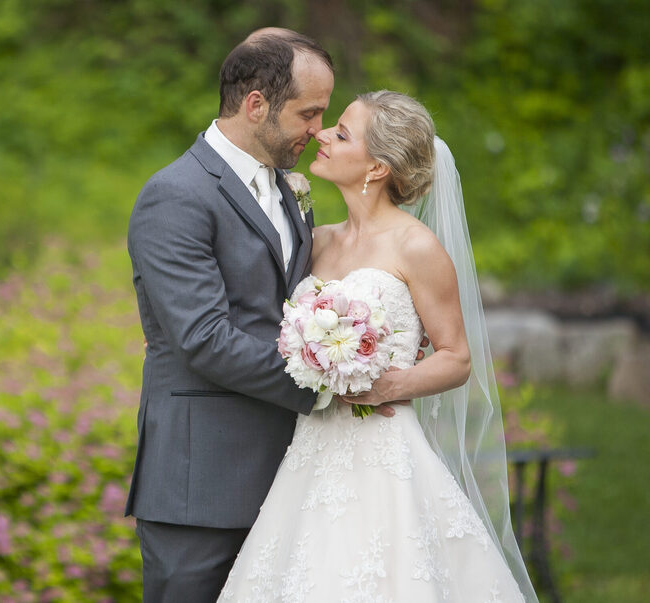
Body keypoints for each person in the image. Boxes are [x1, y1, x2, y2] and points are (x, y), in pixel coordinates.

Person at [218, 91, 537, 601]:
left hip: (383, 454)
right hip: (310, 447)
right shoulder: (316, 240)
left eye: (341, 134)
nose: (321, 134)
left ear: (377, 167)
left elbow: (456, 357)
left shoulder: (416, 246)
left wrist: (388, 384)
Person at [125, 28, 339, 600]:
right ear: (256, 105)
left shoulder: (289, 190)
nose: (319, 131)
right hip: (201, 485)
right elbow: (204, 337)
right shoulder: (176, 195)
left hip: (289, 473)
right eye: (309, 113)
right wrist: (330, 386)